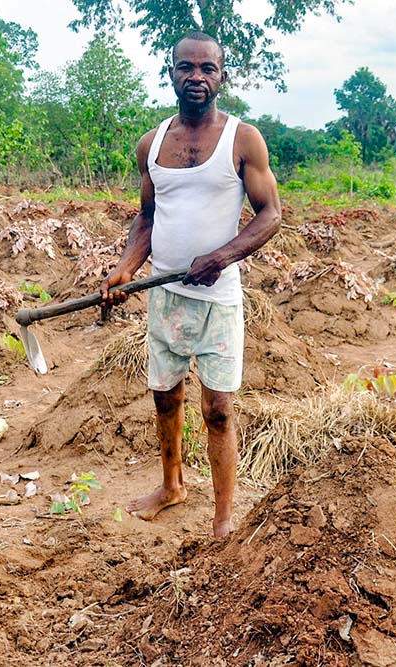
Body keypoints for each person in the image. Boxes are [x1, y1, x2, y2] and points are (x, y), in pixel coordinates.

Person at [100, 31, 281, 538]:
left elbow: (271, 215)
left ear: (223, 75)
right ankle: (171, 487)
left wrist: (221, 257)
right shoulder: (152, 144)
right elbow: (148, 217)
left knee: (219, 408)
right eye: (187, 68)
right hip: (166, 292)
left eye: (207, 68)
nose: (196, 77)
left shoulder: (243, 139)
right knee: (165, 396)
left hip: (218, 299)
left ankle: (224, 517)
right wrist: (126, 267)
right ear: (171, 72)